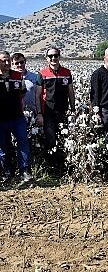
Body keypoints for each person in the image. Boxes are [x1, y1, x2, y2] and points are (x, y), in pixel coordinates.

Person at [39, 47, 75, 170]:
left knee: (64, 137)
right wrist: (39, 113)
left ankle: (64, 165)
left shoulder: (67, 72)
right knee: (51, 139)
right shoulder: (42, 73)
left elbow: (70, 91)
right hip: (48, 111)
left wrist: (73, 109)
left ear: (60, 56)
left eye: (56, 55)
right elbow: (38, 94)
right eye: (51, 56)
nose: (53, 58)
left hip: (63, 110)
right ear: (47, 58)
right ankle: (53, 166)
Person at [0, 51, 33, 184]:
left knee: (23, 142)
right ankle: (7, 173)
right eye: (3, 60)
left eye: (8, 60)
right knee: (3, 146)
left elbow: (21, 94)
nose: (7, 63)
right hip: (0, 119)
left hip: (17, 117)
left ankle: (24, 171)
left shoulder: (18, 76)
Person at [11, 52, 43, 118]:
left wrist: (40, 113)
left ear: (25, 62)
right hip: (15, 115)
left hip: (33, 113)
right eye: (16, 63)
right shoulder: (9, 78)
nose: (20, 65)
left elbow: (40, 96)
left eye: (21, 62)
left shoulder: (35, 77)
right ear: (12, 64)